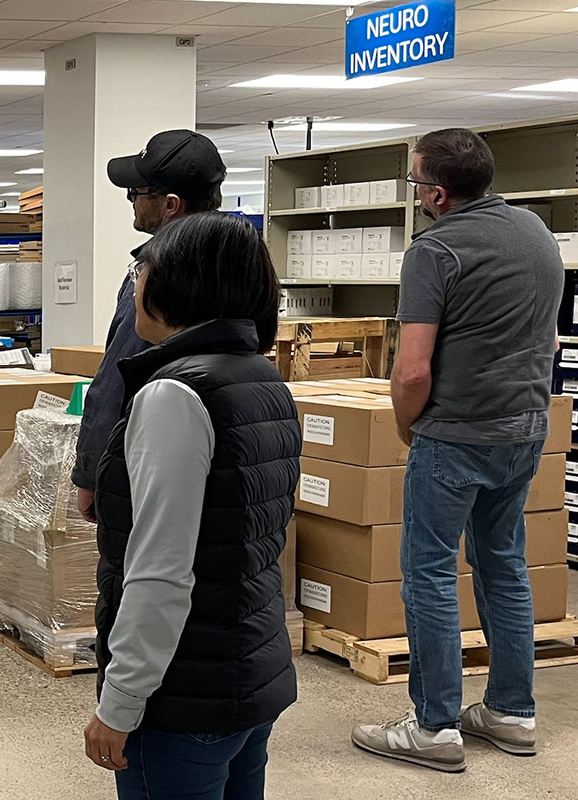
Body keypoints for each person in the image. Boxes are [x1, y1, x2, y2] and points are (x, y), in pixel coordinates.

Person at [352, 129, 564, 772]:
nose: (415, 194)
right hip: (527, 426)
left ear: (437, 193)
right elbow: (550, 344)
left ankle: (434, 726)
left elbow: (413, 370)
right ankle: (511, 713)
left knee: (430, 573)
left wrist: (407, 424)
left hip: (457, 434)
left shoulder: (433, 251)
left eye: (415, 183)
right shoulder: (534, 232)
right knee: (504, 565)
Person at [83, 213, 300, 799]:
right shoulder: (259, 376)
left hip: (184, 695)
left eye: (143, 270)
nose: (135, 284)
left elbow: (160, 568)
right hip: (248, 671)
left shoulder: (174, 395)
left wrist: (121, 699)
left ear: (181, 285)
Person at [72, 129, 226, 524]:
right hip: (224, 459)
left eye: (136, 193)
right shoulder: (241, 268)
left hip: (150, 461)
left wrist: (89, 474)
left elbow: (118, 378)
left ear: (171, 204)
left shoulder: (154, 276)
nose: (132, 203)